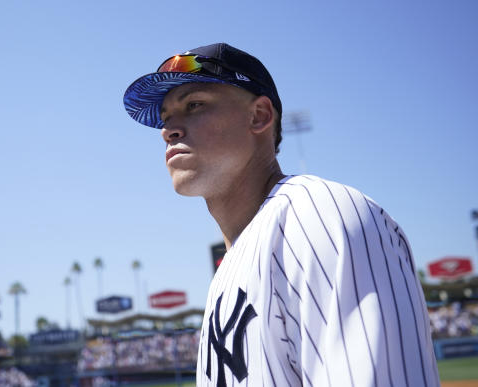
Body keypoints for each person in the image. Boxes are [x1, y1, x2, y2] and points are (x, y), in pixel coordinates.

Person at [123, 43, 439, 386]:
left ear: (259, 116)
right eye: (167, 117)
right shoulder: (232, 266)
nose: (169, 130)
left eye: (194, 105)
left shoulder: (317, 216)